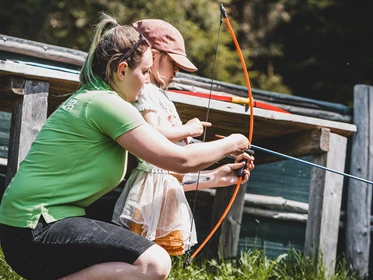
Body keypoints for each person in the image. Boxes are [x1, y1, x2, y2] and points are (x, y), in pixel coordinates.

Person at [0, 13, 253, 280]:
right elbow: (180, 159)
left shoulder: (96, 98)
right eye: (144, 72)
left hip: (35, 225)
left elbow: (152, 177)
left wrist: (215, 176)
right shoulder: (107, 105)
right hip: (32, 230)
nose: (147, 81)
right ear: (122, 70)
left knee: (131, 220)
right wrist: (232, 142)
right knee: (154, 263)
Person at [112, 19, 254, 257]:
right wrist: (189, 129)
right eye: (173, 62)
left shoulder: (161, 95)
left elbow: (180, 150)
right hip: (151, 188)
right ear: (153, 55)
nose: (177, 70)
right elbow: (153, 134)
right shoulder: (144, 91)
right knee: (140, 254)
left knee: (157, 255)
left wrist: (226, 154)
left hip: (167, 185)